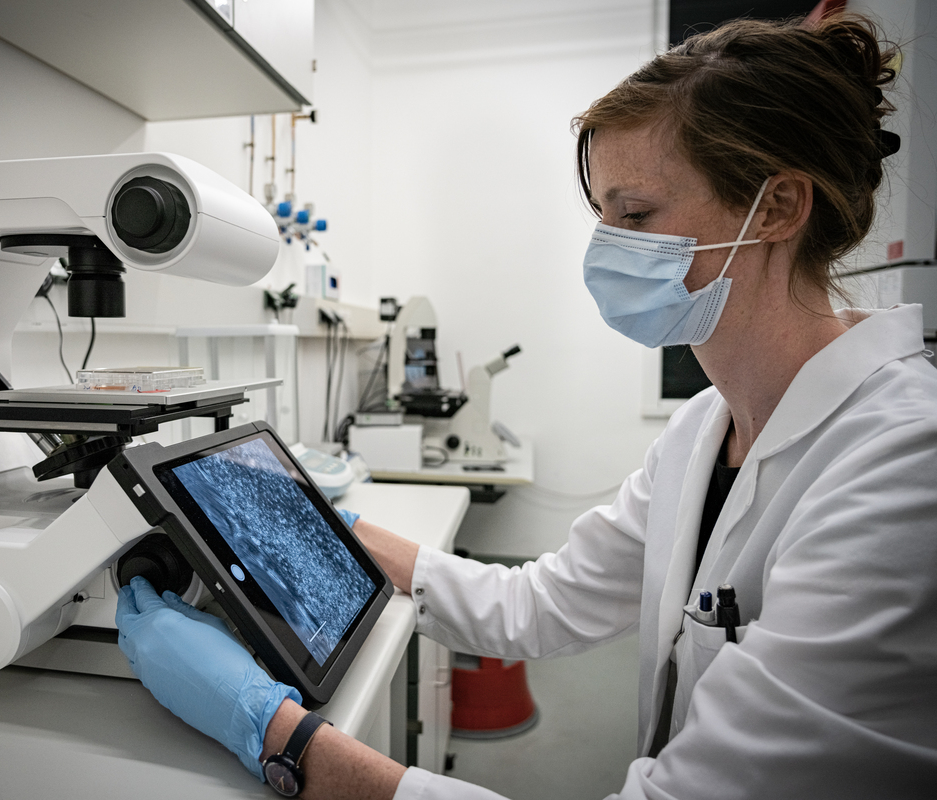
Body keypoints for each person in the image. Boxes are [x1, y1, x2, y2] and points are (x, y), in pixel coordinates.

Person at [115, 14, 937, 798]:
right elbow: (539, 604)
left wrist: (278, 738)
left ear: (781, 208)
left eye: (637, 213)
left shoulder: (902, 467)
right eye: (603, 214)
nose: (606, 246)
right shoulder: (704, 428)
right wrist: (330, 529)